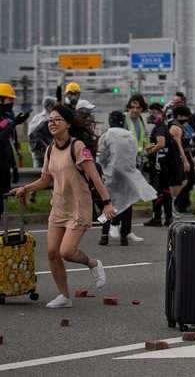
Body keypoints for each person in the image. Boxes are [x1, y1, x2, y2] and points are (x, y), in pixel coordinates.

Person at [10, 105, 114, 308]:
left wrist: (107, 204)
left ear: (67, 123)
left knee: (66, 251)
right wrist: (26, 188)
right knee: (51, 252)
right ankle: (65, 296)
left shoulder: (77, 147)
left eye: (57, 119)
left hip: (78, 208)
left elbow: (95, 178)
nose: (52, 123)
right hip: (58, 207)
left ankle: (93, 263)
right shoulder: (50, 149)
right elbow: (45, 180)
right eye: (50, 120)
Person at [97, 111, 155, 246]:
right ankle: (124, 236)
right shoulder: (130, 136)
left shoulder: (106, 136)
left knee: (109, 204)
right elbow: (134, 154)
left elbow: (101, 157)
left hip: (111, 174)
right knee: (127, 203)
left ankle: (104, 235)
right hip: (127, 175)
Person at [143, 103, 184, 227]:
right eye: (151, 113)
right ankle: (168, 217)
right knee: (165, 191)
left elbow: (161, 143)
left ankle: (157, 217)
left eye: (154, 113)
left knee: (157, 192)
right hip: (165, 165)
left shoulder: (160, 127)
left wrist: (150, 150)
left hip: (159, 165)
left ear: (161, 114)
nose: (152, 115)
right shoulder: (163, 127)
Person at [1, 84, 30, 217]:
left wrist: (14, 168)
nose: (12, 103)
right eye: (9, 100)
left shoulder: (5, 118)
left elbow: (7, 145)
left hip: (4, 168)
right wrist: (14, 124)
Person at [172, 106, 195, 216]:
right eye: (183, 116)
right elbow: (179, 145)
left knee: (190, 180)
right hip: (180, 156)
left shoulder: (184, 127)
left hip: (187, 155)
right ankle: (178, 205)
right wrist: (185, 161)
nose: (186, 118)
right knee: (185, 181)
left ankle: (183, 205)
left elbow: (188, 144)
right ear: (178, 116)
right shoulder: (175, 127)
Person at [28, 96, 56, 168]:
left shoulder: (55, 118)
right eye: (53, 105)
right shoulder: (39, 118)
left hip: (52, 151)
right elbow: (31, 134)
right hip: (39, 151)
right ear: (49, 106)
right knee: (37, 173)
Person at [125, 94, 148, 170]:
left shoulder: (141, 120)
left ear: (142, 109)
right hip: (126, 160)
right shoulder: (123, 120)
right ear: (128, 108)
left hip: (138, 160)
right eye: (132, 107)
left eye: (138, 108)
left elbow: (144, 138)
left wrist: (148, 146)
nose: (135, 110)